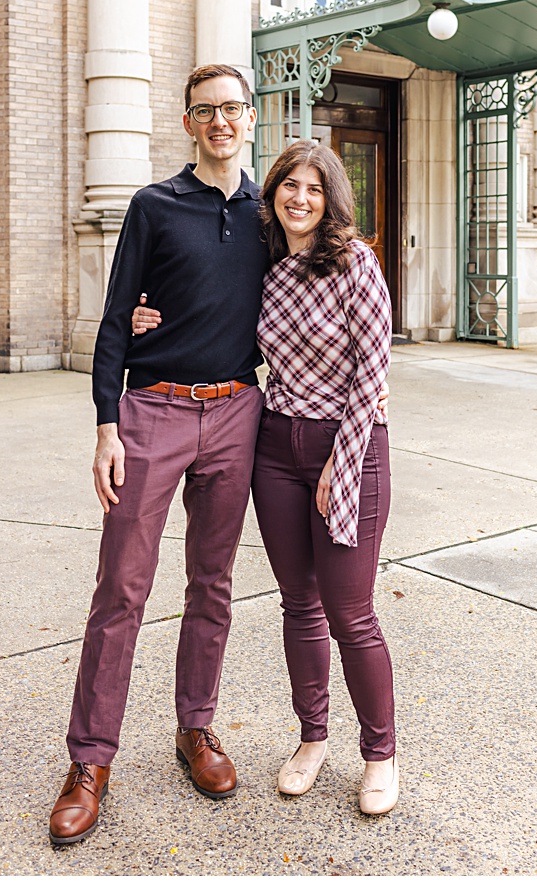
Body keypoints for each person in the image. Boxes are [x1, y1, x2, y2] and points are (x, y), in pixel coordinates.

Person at [132, 137, 398, 815]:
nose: (299, 198)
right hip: (277, 445)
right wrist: (142, 313)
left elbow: (373, 369)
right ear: (272, 193)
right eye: (289, 186)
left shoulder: (357, 265)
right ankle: (312, 739)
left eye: (313, 188)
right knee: (299, 604)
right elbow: (209, 310)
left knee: (351, 612)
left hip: (350, 446)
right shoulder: (269, 269)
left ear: (329, 197)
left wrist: (344, 457)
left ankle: (380, 754)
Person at [48, 63, 268, 847]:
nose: (219, 122)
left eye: (232, 110)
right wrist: (107, 425)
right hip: (153, 411)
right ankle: (90, 760)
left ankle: (195, 729)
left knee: (213, 584)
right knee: (122, 590)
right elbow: (115, 320)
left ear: (250, 118)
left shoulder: (270, 212)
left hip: (237, 409)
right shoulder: (152, 205)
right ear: (187, 123)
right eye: (204, 111)